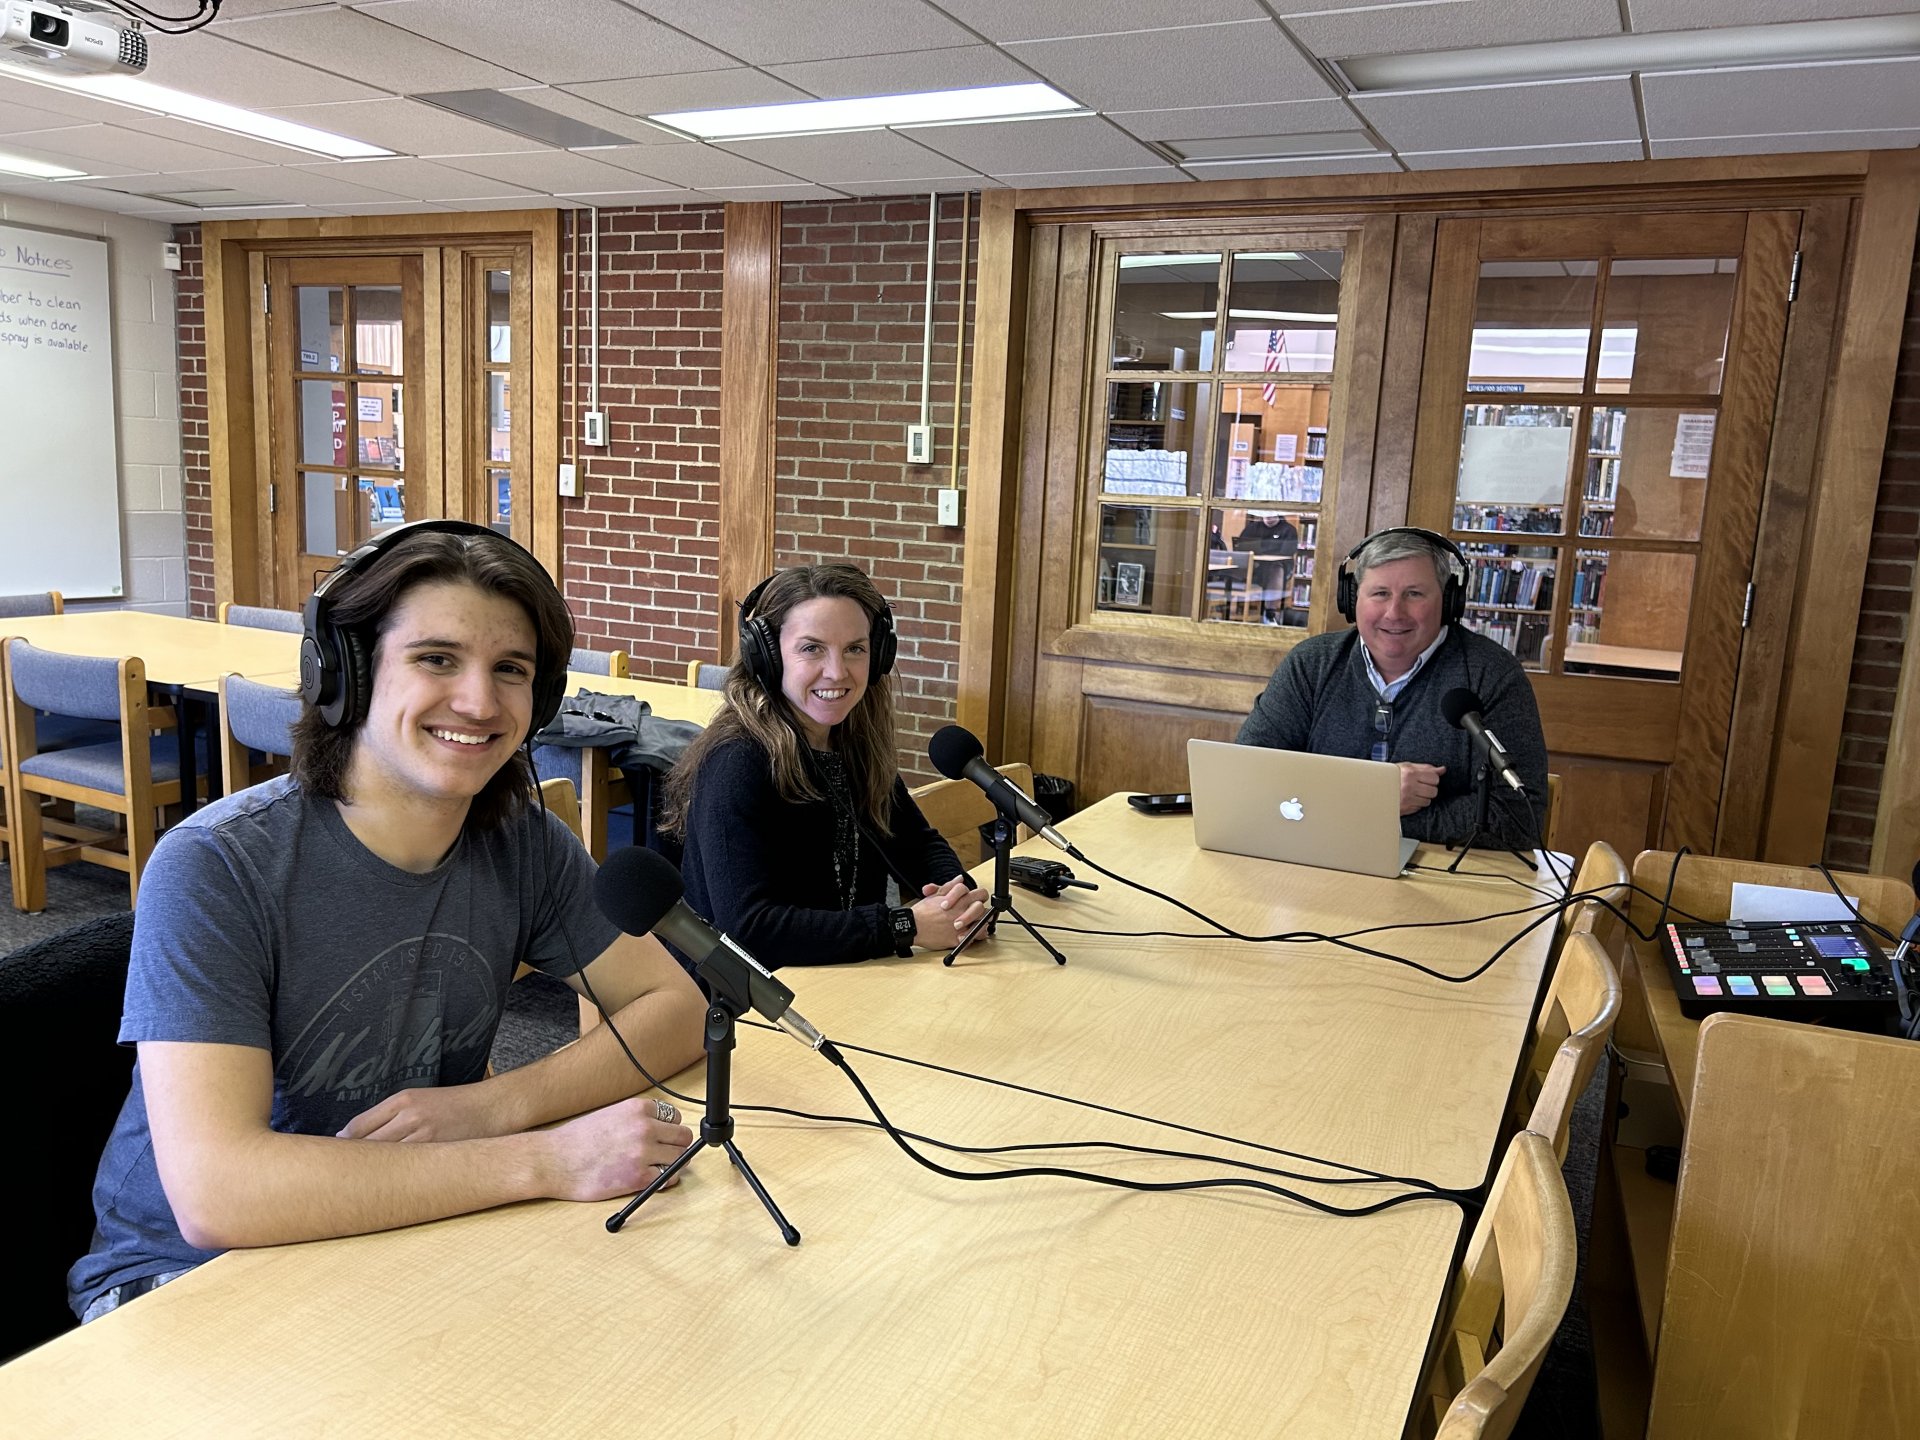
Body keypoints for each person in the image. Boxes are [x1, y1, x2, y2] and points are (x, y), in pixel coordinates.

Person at [68, 521, 707, 1323]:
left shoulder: (523, 843)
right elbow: (217, 1193)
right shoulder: (218, 866)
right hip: (187, 1280)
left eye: (510, 670)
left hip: (406, 1224)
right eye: (436, 659)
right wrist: (541, 1158)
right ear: (349, 673)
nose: (478, 702)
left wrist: (491, 1109)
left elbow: (677, 1011)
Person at [661, 563, 987, 967]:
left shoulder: (854, 744)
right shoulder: (736, 761)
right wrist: (904, 926)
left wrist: (958, 898)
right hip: (748, 1007)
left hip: (844, 974)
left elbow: (917, 842)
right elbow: (749, 930)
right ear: (767, 656)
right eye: (812, 648)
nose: (837, 671)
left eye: (855, 648)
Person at [1236, 526, 1549, 846]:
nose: (1394, 613)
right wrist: (1372, 797)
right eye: (1380, 593)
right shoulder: (1311, 665)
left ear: (1448, 601)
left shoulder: (1492, 675)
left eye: (1414, 594)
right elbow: (1247, 778)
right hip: (1317, 863)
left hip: (1439, 881)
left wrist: (1361, 815)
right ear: (1351, 599)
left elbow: (1520, 817)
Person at [1233, 511, 1300, 623]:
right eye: (1266, 515)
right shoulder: (1253, 528)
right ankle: (1238, 609)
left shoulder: (1288, 530)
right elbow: (1240, 546)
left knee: (1275, 568)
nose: (1269, 518)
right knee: (1241, 565)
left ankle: (1270, 611)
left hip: (1280, 565)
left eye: (1271, 515)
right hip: (1256, 565)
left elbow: (1287, 552)